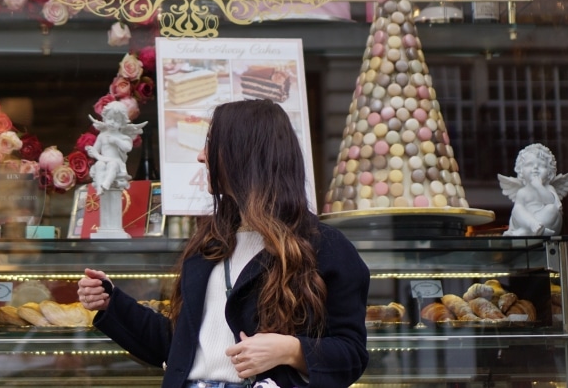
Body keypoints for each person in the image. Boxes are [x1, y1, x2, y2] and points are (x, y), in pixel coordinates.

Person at [78, 99, 369, 388]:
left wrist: (291, 350)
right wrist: (112, 302)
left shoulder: (324, 247)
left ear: (243, 153)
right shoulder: (210, 243)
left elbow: (351, 355)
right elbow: (179, 346)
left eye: (211, 143)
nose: (201, 157)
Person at [499, 143, 568, 237]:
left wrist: (538, 186)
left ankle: (525, 232)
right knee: (517, 209)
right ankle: (532, 227)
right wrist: (531, 222)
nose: (535, 168)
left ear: (549, 172)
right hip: (527, 222)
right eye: (529, 164)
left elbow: (551, 202)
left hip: (545, 220)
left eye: (541, 165)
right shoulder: (522, 192)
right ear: (521, 171)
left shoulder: (549, 188)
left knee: (552, 209)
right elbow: (516, 214)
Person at [86, 100, 146, 196]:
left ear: (122, 123)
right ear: (104, 118)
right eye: (109, 118)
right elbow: (95, 150)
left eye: (117, 120)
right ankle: (99, 186)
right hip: (103, 160)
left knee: (112, 165)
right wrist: (91, 151)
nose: (112, 122)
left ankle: (106, 183)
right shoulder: (102, 136)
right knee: (99, 165)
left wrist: (117, 141)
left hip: (116, 162)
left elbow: (128, 148)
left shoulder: (122, 137)